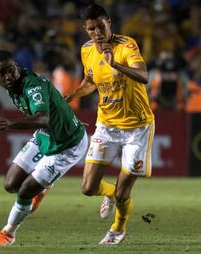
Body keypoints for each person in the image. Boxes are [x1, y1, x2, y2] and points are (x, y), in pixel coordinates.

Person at [65, 4, 155, 245]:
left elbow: (144, 76)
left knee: (124, 190)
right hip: (106, 125)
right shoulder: (86, 50)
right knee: (87, 188)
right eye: (91, 29)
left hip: (137, 127)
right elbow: (90, 81)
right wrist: (72, 96)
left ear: (109, 22)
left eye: (100, 26)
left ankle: (117, 229)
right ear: (86, 29)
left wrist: (115, 64)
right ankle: (110, 194)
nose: (96, 32)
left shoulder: (127, 45)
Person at [0, 50, 88, 246]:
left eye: (11, 69)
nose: (8, 75)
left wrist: (12, 124)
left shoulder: (32, 85)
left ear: (16, 66)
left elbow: (43, 117)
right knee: (10, 184)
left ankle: (8, 233)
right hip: (46, 135)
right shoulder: (12, 85)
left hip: (68, 144)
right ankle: (43, 185)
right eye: (2, 73)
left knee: (25, 191)